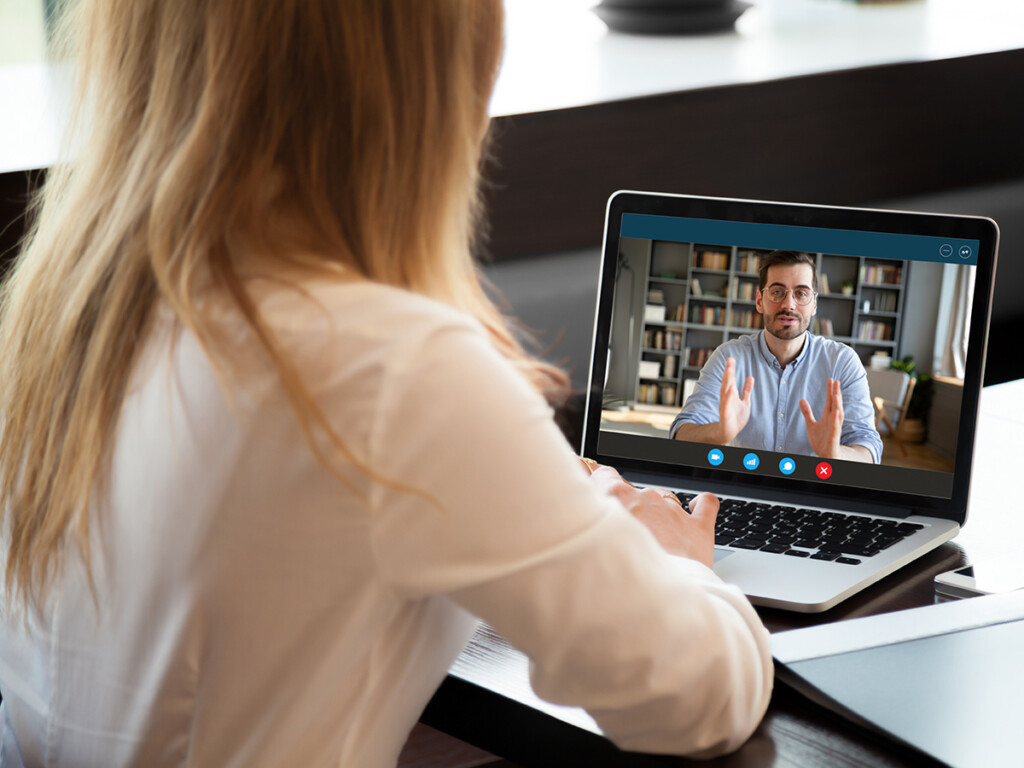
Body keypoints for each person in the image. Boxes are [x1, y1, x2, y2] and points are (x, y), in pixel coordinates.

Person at [0, 2, 771, 766]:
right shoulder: (393, 369)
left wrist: (539, 510)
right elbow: (694, 698)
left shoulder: (63, 318)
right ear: (426, 80)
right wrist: (671, 566)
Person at [671, 250, 882, 463]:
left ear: (814, 304)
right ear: (759, 300)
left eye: (801, 293)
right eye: (777, 291)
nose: (788, 304)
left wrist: (834, 453)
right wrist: (719, 433)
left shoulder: (843, 362)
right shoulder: (729, 358)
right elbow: (681, 433)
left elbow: (869, 450)